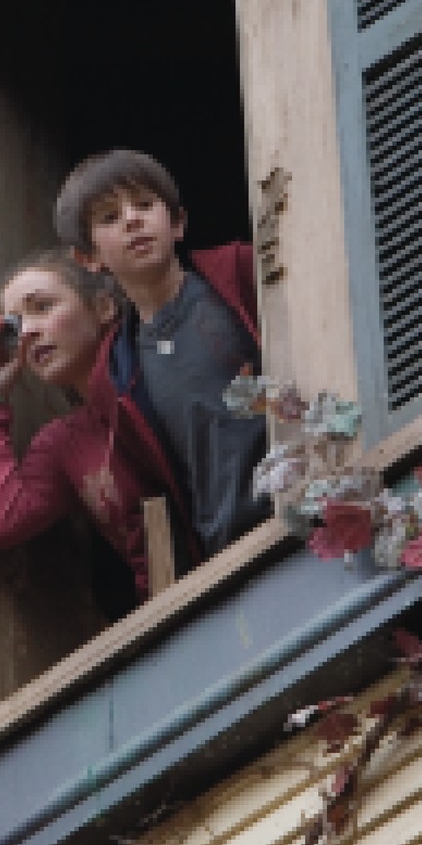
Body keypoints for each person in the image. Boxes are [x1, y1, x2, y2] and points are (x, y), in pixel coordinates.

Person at [52, 149, 269, 566]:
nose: (133, 220)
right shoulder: (115, 375)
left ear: (178, 223)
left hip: (305, 512)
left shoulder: (238, 278)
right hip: (228, 556)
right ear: (89, 258)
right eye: (110, 218)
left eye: (145, 205)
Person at [0, 251, 167, 600]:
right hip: (176, 615)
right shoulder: (65, 442)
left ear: (104, 308)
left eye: (42, 307)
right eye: (14, 325)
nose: (28, 331)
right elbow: (1, 521)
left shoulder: (163, 370)